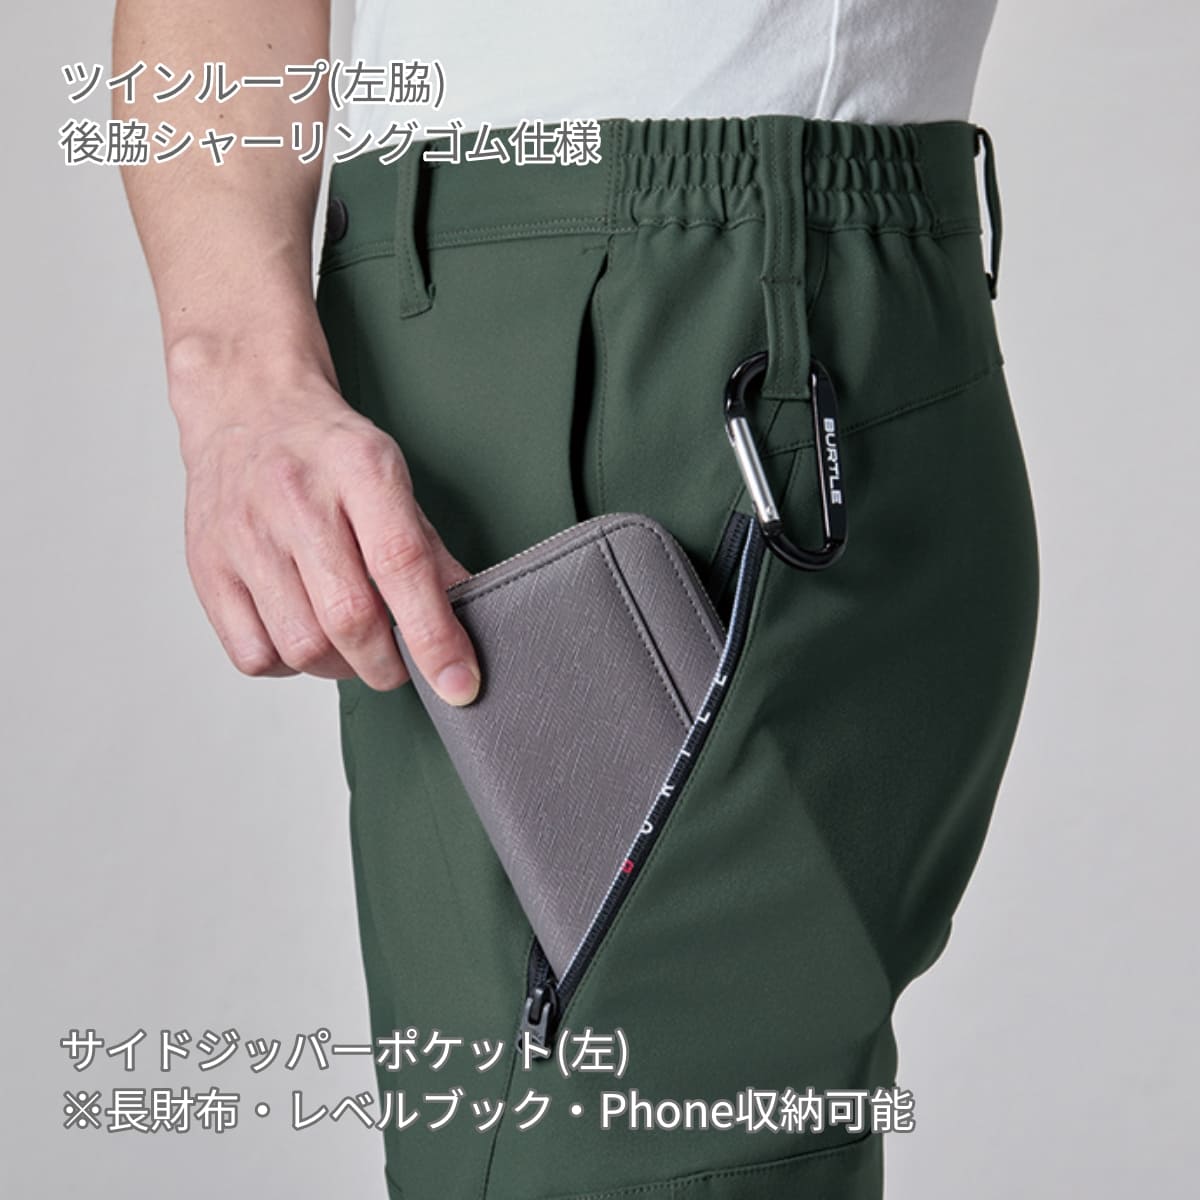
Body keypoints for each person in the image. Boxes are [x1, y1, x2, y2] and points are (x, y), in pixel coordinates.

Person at [113, 2, 1038, 1196]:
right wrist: (231, 371)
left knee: (709, 1144)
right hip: (584, 307)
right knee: (617, 1141)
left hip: (845, 292)